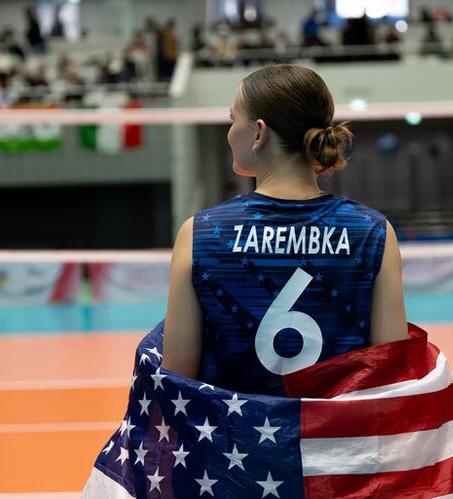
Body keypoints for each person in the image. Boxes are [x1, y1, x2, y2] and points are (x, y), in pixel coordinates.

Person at [162, 64, 407, 392]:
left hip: (236, 442)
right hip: (338, 442)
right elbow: (393, 381)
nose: (229, 132)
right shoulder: (373, 233)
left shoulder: (200, 233)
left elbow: (176, 383)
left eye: (233, 120)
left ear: (259, 133)